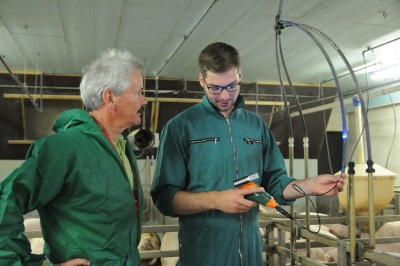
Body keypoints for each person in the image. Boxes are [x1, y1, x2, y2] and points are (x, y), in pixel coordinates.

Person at [150, 42, 345, 266]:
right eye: (215, 87)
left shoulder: (256, 126)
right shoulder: (181, 127)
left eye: (232, 86)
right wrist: (217, 200)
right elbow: (165, 197)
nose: (224, 95)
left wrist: (309, 186)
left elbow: (274, 182)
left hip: (250, 248)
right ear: (202, 81)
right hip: (204, 250)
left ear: (240, 76)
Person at [0, 49, 148, 265]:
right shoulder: (62, 148)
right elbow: (5, 202)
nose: (144, 100)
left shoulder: (123, 147)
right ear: (110, 98)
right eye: (138, 93)